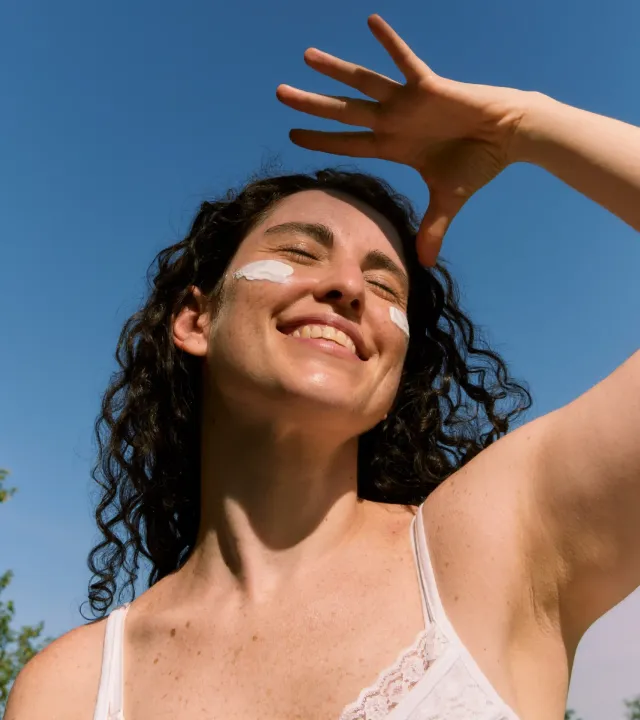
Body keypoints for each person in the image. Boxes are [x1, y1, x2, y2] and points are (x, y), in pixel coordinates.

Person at [6, 14, 639, 720]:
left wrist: (522, 125)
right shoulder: (71, 686)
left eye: (386, 285)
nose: (348, 288)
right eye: (302, 254)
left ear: (398, 361)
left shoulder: (501, 541)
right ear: (194, 320)